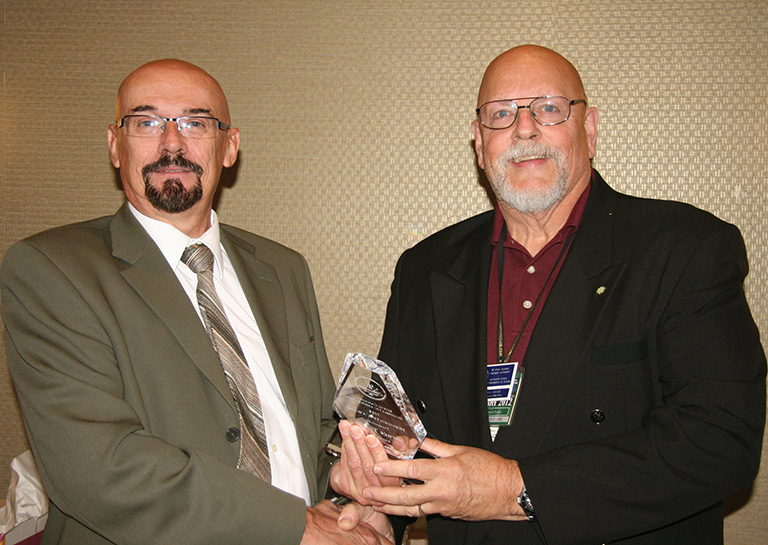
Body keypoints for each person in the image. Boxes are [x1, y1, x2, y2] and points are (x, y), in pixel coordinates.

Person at [330, 45, 766, 544]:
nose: (525, 129)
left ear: (590, 129)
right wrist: (380, 511)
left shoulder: (685, 248)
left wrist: (514, 489)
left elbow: (720, 440)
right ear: (479, 142)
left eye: (550, 108)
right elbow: (399, 437)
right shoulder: (424, 267)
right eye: (501, 114)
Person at [2, 59, 391, 545]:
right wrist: (300, 527)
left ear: (230, 147)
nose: (172, 143)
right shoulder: (52, 270)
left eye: (196, 123)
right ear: (115, 146)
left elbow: (311, 434)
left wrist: (348, 497)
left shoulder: (283, 269)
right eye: (146, 122)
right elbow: (99, 467)